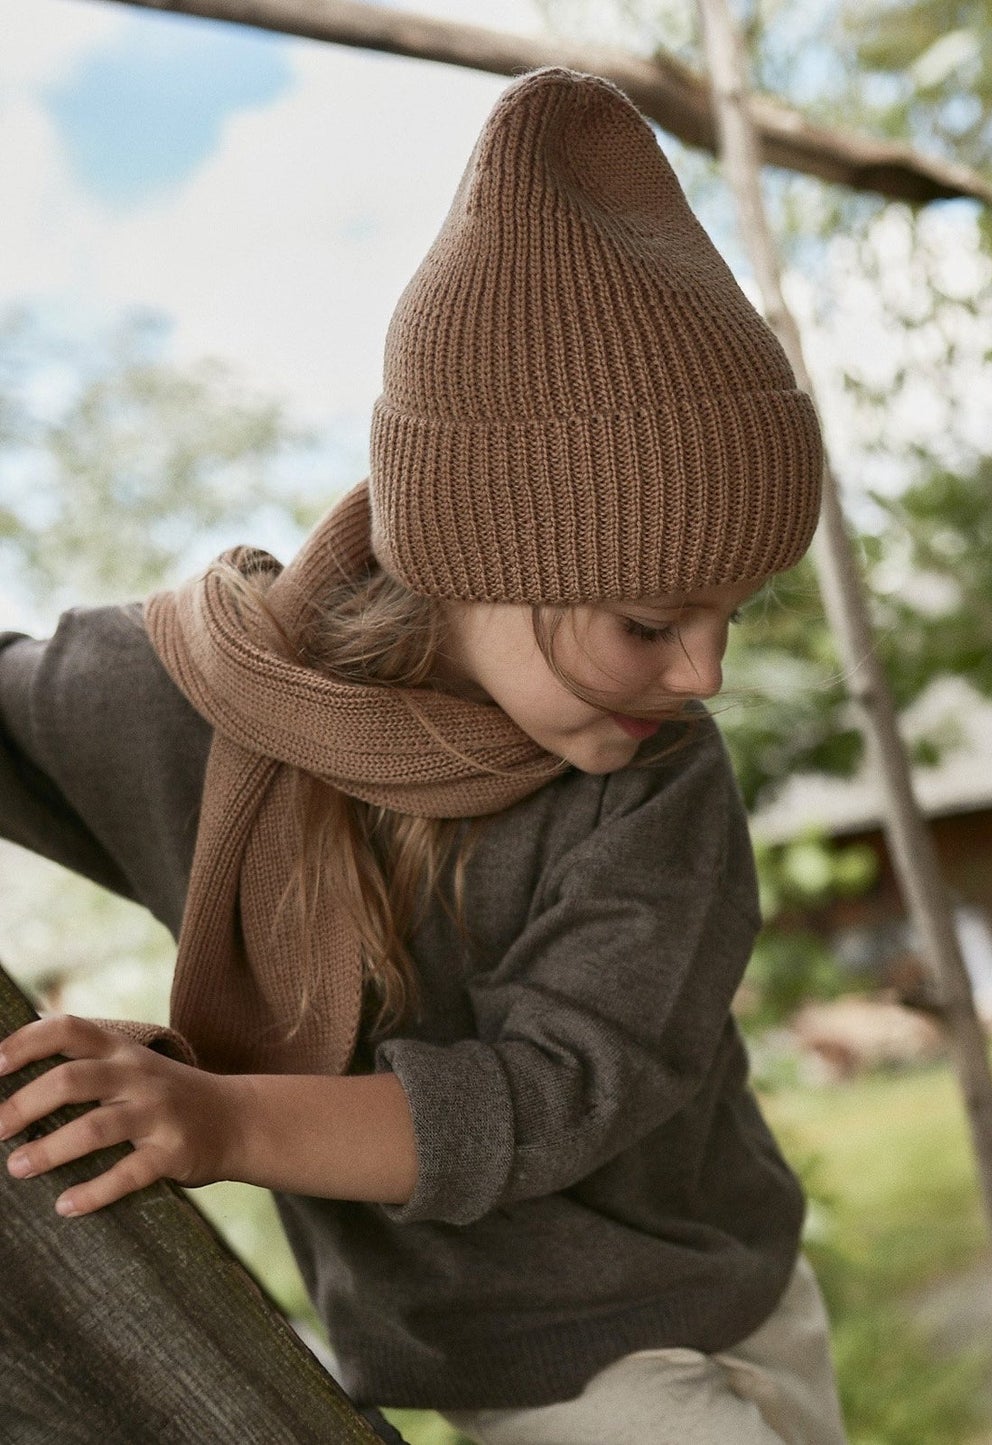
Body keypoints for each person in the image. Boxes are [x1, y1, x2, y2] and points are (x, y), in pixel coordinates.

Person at [0, 66, 849, 1445]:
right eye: (651, 619)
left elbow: (544, 1091)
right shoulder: (189, 706)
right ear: (475, 561)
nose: (704, 675)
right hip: (472, 1364)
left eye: (728, 614)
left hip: (689, 1334)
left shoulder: (653, 783)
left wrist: (217, 1119)